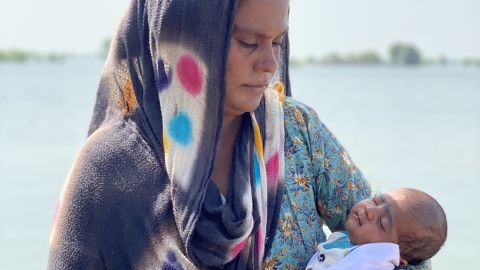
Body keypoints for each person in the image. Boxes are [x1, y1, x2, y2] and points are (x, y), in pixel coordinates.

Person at [48, 0, 428, 269]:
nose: (269, 64)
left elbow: (401, 243)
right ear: (185, 39)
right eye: (249, 42)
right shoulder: (107, 173)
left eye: (278, 42)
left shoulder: (296, 132)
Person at [306, 188, 447, 270]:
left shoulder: (373, 262)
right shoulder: (349, 240)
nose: (369, 210)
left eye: (381, 223)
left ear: (396, 255)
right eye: (376, 200)